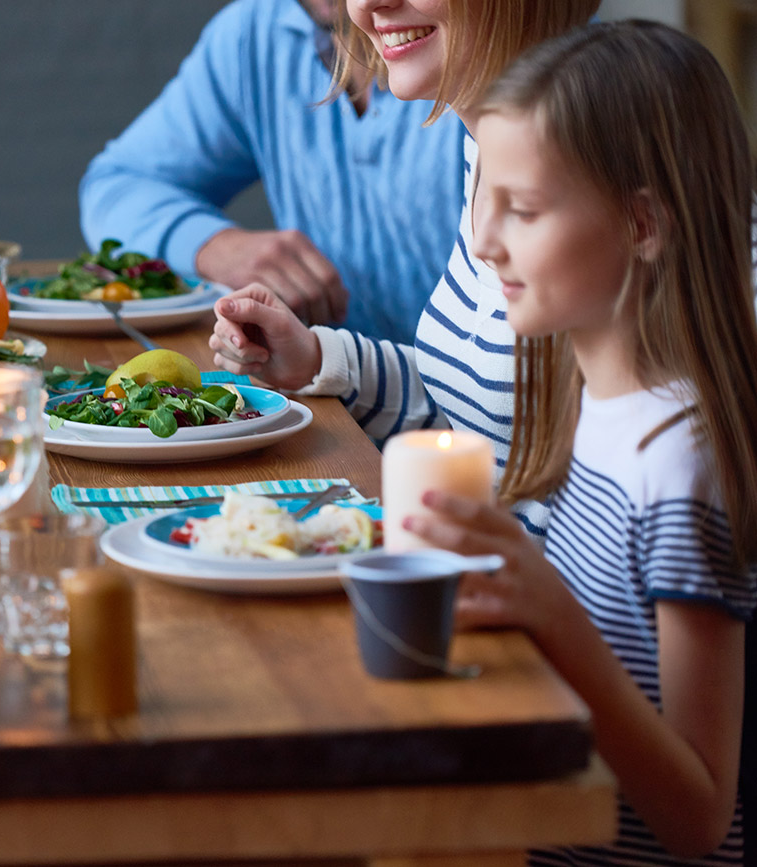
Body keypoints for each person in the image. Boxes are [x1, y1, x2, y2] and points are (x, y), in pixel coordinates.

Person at [404, 21, 757, 865]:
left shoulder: (683, 468)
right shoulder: (585, 402)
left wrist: (550, 616)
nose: (486, 242)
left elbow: (699, 817)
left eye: (520, 209)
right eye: (483, 200)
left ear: (642, 224)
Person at [209, 0, 605, 537]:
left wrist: (515, 580)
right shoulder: (483, 149)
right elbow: (487, 417)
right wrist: (320, 359)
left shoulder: (604, 171)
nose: (368, 6)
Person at [78, 0, 465, 343]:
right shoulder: (255, 34)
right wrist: (215, 246)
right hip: (333, 395)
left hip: (483, 414)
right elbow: (116, 185)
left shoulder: (484, 49)